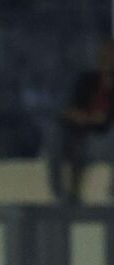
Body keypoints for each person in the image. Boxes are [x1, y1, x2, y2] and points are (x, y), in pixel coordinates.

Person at [48, 41, 114, 204]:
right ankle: (65, 193)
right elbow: (70, 109)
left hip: (104, 135)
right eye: (106, 56)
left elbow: (105, 119)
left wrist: (97, 118)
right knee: (61, 140)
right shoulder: (86, 79)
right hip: (80, 131)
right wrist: (85, 117)